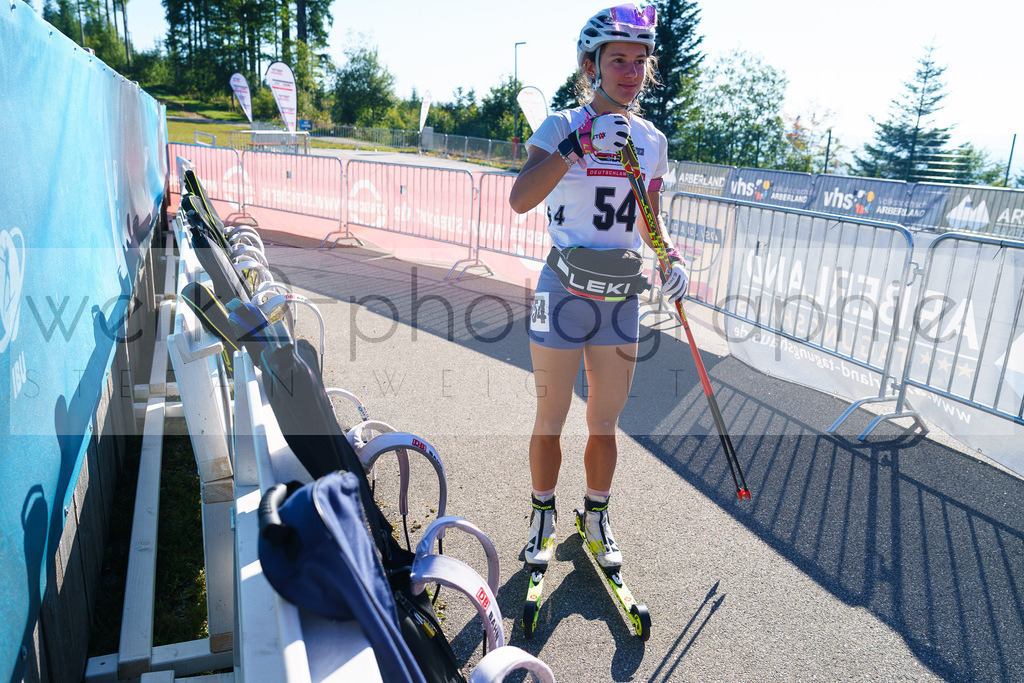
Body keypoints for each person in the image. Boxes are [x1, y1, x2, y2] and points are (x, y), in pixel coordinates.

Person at [508, 3, 689, 573]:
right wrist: (577, 147)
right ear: (592, 65)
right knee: (550, 418)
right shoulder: (561, 125)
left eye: (640, 61)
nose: (631, 72)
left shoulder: (651, 139)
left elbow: (649, 220)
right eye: (618, 61)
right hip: (560, 290)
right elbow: (521, 198)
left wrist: (670, 256)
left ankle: (595, 514)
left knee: (605, 422)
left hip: (619, 296)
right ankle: (542, 515)